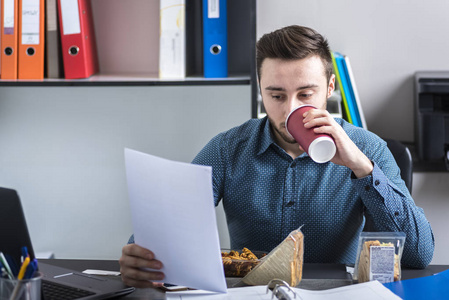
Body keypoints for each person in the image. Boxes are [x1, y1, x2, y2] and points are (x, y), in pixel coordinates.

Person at [119, 25, 434, 288]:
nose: (290, 110)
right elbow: (165, 230)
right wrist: (144, 257)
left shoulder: (369, 149)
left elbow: (418, 256)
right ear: (261, 90)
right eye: (277, 95)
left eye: (305, 94)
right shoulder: (228, 149)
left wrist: (361, 167)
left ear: (330, 88)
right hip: (251, 292)